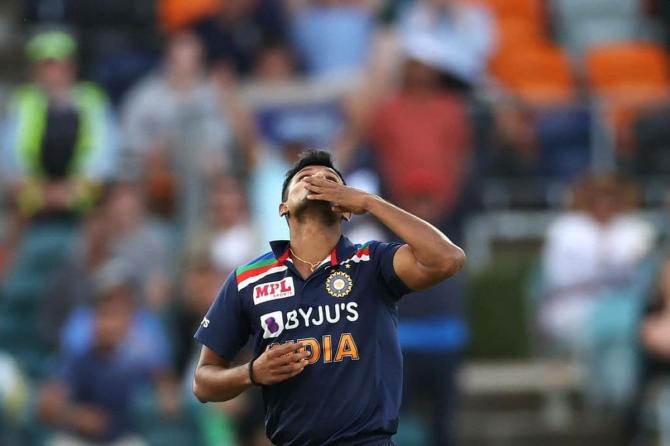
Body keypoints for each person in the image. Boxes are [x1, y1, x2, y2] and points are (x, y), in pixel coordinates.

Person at [192, 150, 465, 445]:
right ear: (283, 207)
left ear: (346, 208)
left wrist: (370, 202)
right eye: (304, 178)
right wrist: (252, 373)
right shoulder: (247, 279)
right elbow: (203, 383)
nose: (318, 180)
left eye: (331, 179)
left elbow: (447, 259)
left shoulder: (371, 262)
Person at [1, 30, 119, 217]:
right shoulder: (22, 102)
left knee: (107, 200)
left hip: (83, 191)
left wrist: (69, 191)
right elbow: (10, 158)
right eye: (46, 67)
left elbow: (105, 158)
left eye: (60, 66)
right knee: (15, 198)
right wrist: (42, 192)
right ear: (35, 71)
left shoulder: (93, 100)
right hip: (32, 193)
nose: (54, 74)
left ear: (72, 68)